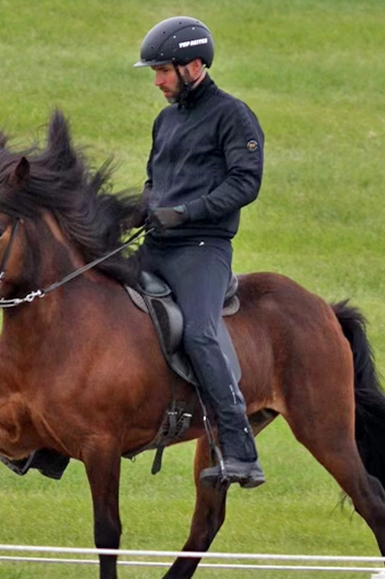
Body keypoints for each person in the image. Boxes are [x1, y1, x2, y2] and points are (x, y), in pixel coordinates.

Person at [134, 16, 266, 488]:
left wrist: (187, 213)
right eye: (154, 72)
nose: (157, 81)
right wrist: (142, 210)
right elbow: (155, 182)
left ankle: (240, 450)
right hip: (158, 242)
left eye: (163, 71)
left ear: (194, 66)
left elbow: (245, 183)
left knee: (199, 334)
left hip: (202, 248)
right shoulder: (165, 120)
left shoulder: (233, 115)